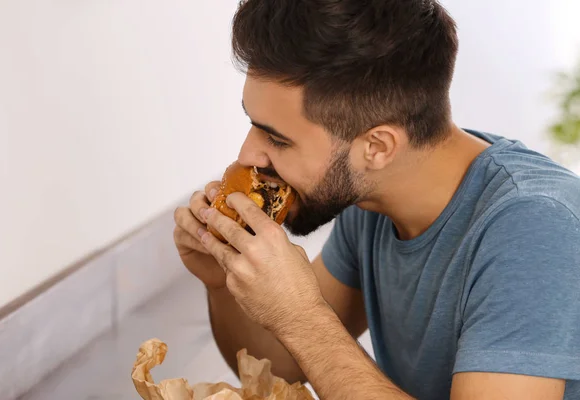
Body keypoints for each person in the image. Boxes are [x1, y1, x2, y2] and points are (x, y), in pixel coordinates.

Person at [173, 1, 580, 399]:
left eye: (277, 138)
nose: (248, 155)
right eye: (253, 125)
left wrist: (303, 318)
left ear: (377, 147)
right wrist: (222, 280)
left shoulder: (536, 227)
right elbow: (278, 369)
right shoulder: (372, 199)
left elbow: (305, 335)